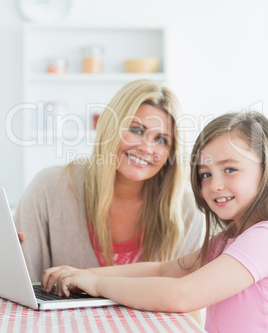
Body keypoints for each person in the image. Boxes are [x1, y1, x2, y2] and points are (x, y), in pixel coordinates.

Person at [42, 111, 268, 332]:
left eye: (230, 169)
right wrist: (86, 274)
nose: (215, 185)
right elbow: (164, 270)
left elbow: (183, 294)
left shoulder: (262, 238)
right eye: (205, 174)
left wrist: (97, 284)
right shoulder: (228, 240)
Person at [14, 79, 204, 283]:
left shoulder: (186, 210)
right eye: (136, 130)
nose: (146, 148)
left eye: (161, 140)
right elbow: (20, 284)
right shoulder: (49, 188)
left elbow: (186, 300)